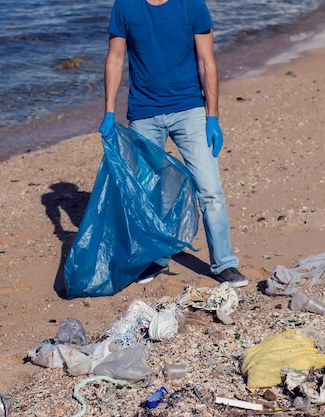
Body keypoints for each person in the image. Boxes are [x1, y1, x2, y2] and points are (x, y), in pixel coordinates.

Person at [98, 0, 248, 288]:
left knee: (210, 190)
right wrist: (107, 110)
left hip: (190, 111)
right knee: (148, 196)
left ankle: (224, 264)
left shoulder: (192, 4)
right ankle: (155, 258)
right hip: (143, 114)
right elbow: (115, 58)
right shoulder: (125, 6)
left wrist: (212, 116)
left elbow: (206, 61)